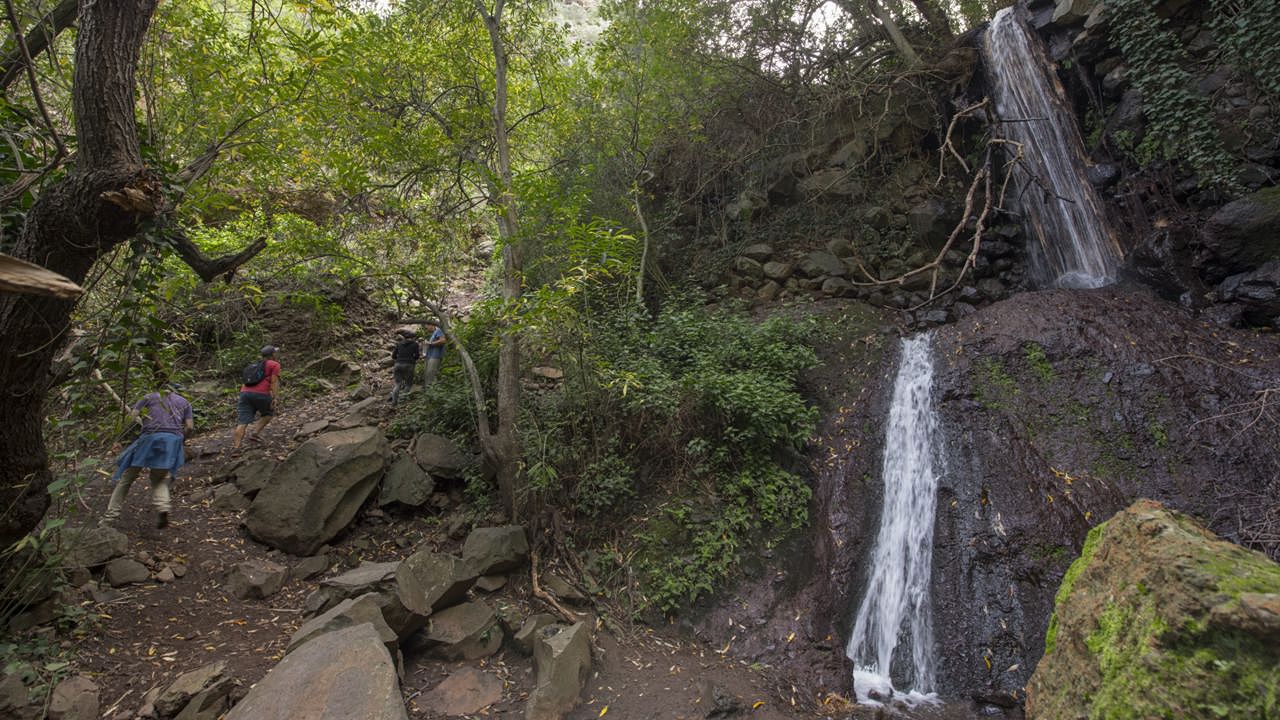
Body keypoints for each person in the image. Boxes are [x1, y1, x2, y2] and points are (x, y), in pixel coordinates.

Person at [103, 377, 194, 529]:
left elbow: (131, 417)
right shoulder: (184, 402)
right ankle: (163, 507)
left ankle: (109, 517)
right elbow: (190, 426)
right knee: (160, 479)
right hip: (172, 442)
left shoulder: (148, 397)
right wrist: (180, 440)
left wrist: (119, 436)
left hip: (149, 439)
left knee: (127, 477)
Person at [233, 345, 281, 450]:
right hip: (262, 394)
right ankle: (255, 433)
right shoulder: (274, 364)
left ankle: (236, 448)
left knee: (242, 421)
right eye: (275, 353)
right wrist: (275, 398)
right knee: (268, 413)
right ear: (273, 354)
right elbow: (274, 382)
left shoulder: (254, 365)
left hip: (244, 393)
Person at [388, 329, 421, 405]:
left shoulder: (399, 344)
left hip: (398, 364)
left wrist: (399, 359)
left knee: (397, 384)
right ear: (412, 337)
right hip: (409, 365)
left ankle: (394, 402)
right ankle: (402, 400)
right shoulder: (415, 344)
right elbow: (417, 356)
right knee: (408, 384)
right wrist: (412, 359)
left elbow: (393, 356)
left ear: (404, 337)